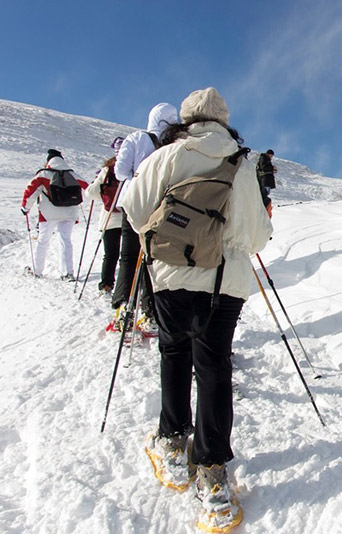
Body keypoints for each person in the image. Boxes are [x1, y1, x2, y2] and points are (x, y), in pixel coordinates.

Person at [125, 88, 272, 530]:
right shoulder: (240, 164)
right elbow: (257, 236)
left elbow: (133, 211)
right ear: (224, 121)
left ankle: (172, 443)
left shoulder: (166, 157)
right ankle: (212, 472)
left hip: (170, 277)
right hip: (224, 283)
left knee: (173, 352)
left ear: (185, 120)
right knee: (213, 366)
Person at [111, 102, 179, 330]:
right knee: (152, 259)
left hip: (133, 204)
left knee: (128, 257)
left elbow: (120, 172)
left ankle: (123, 309)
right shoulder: (175, 145)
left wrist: (136, 175)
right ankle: (151, 313)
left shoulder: (136, 138)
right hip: (161, 208)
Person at [21, 149, 88, 280]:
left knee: (43, 241)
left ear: (48, 161)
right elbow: (88, 189)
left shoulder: (44, 174)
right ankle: (67, 273)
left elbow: (30, 190)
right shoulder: (73, 174)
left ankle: (37, 271)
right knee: (65, 240)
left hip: (48, 214)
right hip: (70, 213)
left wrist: (25, 208)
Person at [85, 137, 125, 292]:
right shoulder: (136, 166)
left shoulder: (108, 170)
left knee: (110, 254)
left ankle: (106, 284)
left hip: (110, 218)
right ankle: (126, 287)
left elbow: (91, 193)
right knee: (129, 256)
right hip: (131, 217)